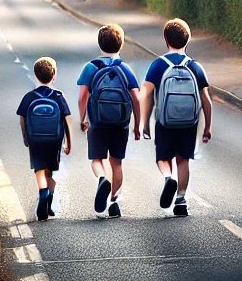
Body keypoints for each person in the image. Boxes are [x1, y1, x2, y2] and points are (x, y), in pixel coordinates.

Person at [140, 17, 213, 217]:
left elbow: (145, 94)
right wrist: (207, 127)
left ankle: (167, 177)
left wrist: (143, 122)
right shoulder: (195, 67)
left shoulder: (158, 65)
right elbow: (206, 100)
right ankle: (181, 199)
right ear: (187, 40)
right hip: (189, 123)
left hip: (165, 122)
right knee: (183, 160)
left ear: (166, 40)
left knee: (163, 158)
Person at [77, 23, 141, 218]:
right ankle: (114, 202)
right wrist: (137, 125)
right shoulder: (125, 68)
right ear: (120, 45)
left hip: (97, 122)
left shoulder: (91, 67)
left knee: (96, 159)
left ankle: (102, 178)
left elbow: (82, 97)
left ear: (100, 45)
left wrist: (83, 119)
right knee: (117, 163)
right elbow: (136, 99)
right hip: (120, 123)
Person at [16, 57, 72, 222]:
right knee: (50, 171)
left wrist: (26, 138)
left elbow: (22, 118)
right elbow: (66, 120)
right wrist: (68, 142)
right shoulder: (58, 96)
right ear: (53, 76)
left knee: (40, 169)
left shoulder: (29, 97)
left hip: (36, 139)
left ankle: (43, 193)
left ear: (35, 75)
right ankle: (49, 198)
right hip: (55, 140)